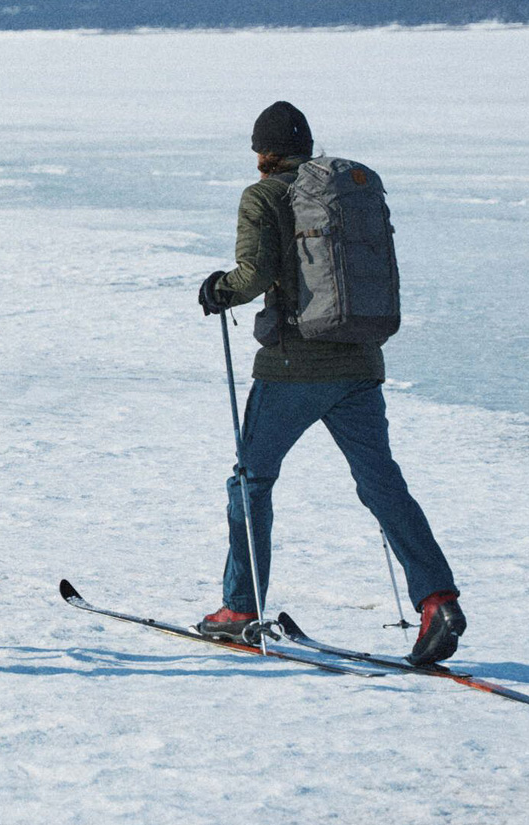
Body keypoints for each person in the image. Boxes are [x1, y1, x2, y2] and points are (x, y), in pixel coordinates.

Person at [196, 101, 465, 666]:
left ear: (260, 151)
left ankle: (240, 608)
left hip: (295, 366)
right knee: (381, 483)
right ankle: (436, 599)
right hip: (360, 363)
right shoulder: (344, 194)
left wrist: (219, 288)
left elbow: (254, 276)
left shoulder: (264, 196)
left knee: (251, 480)